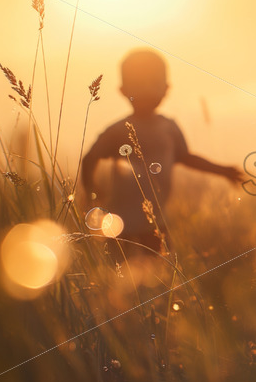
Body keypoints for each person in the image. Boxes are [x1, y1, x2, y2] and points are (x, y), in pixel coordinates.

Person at [81, 48, 243, 255]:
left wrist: (223, 170)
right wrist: (91, 190)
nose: (146, 91)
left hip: (156, 221)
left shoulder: (169, 128)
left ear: (166, 89)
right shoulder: (119, 130)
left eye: (153, 84)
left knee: (162, 270)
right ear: (123, 90)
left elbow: (186, 158)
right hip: (120, 222)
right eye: (138, 85)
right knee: (123, 272)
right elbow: (90, 158)